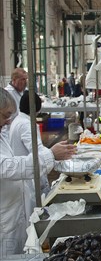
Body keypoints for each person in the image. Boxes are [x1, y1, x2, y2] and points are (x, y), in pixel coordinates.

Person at [0, 88, 76, 257]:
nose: (7, 121)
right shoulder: (24, 124)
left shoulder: (4, 131)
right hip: (6, 217)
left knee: (18, 258)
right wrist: (51, 155)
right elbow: (8, 168)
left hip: (15, 209)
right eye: (5, 115)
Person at [9, 91, 66, 222]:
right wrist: (55, 155)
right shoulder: (26, 125)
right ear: (37, 108)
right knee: (33, 219)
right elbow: (38, 151)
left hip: (26, 175)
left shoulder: (18, 120)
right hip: (29, 179)